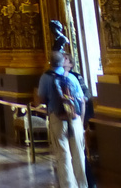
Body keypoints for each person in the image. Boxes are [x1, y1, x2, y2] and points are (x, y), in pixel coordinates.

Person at [38, 51, 88, 188]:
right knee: (79, 155)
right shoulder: (72, 77)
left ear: (50, 62)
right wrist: (81, 123)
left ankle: (68, 186)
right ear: (62, 63)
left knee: (63, 155)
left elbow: (41, 98)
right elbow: (82, 101)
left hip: (57, 117)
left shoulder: (45, 77)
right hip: (75, 118)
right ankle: (82, 185)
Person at [63, 53, 97, 188]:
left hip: (77, 118)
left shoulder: (76, 77)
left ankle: (89, 182)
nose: (63, 61)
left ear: (71, 64)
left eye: (65, 59)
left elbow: (86, 95)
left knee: (80, 153)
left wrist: (82, 120)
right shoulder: (56, 77)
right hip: (63, 120)